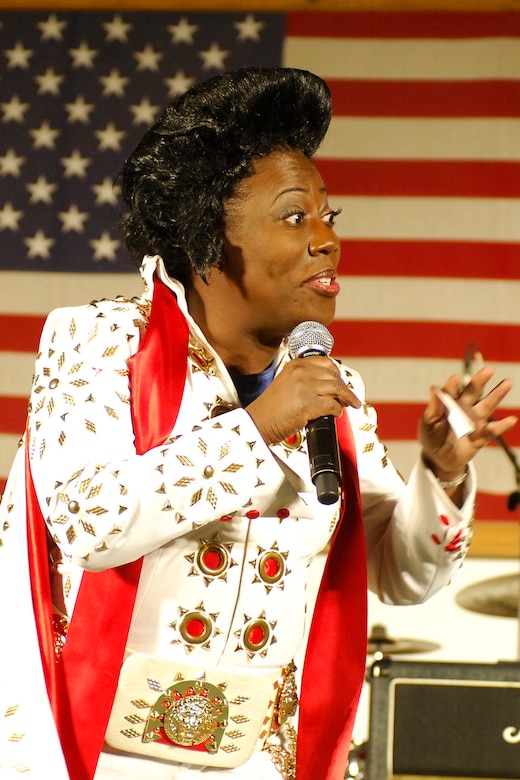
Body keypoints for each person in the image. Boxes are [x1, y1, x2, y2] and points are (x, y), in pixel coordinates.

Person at [0, 67, 516, 780]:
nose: (327, 241)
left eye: (330, 218)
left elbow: (405, 579)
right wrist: (261, 424)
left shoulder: (327, 390)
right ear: (210, 235)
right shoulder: (100, 342)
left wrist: (444, 473)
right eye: (295, 216)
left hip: (259, 762)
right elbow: (91, 522)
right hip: (102, 753)